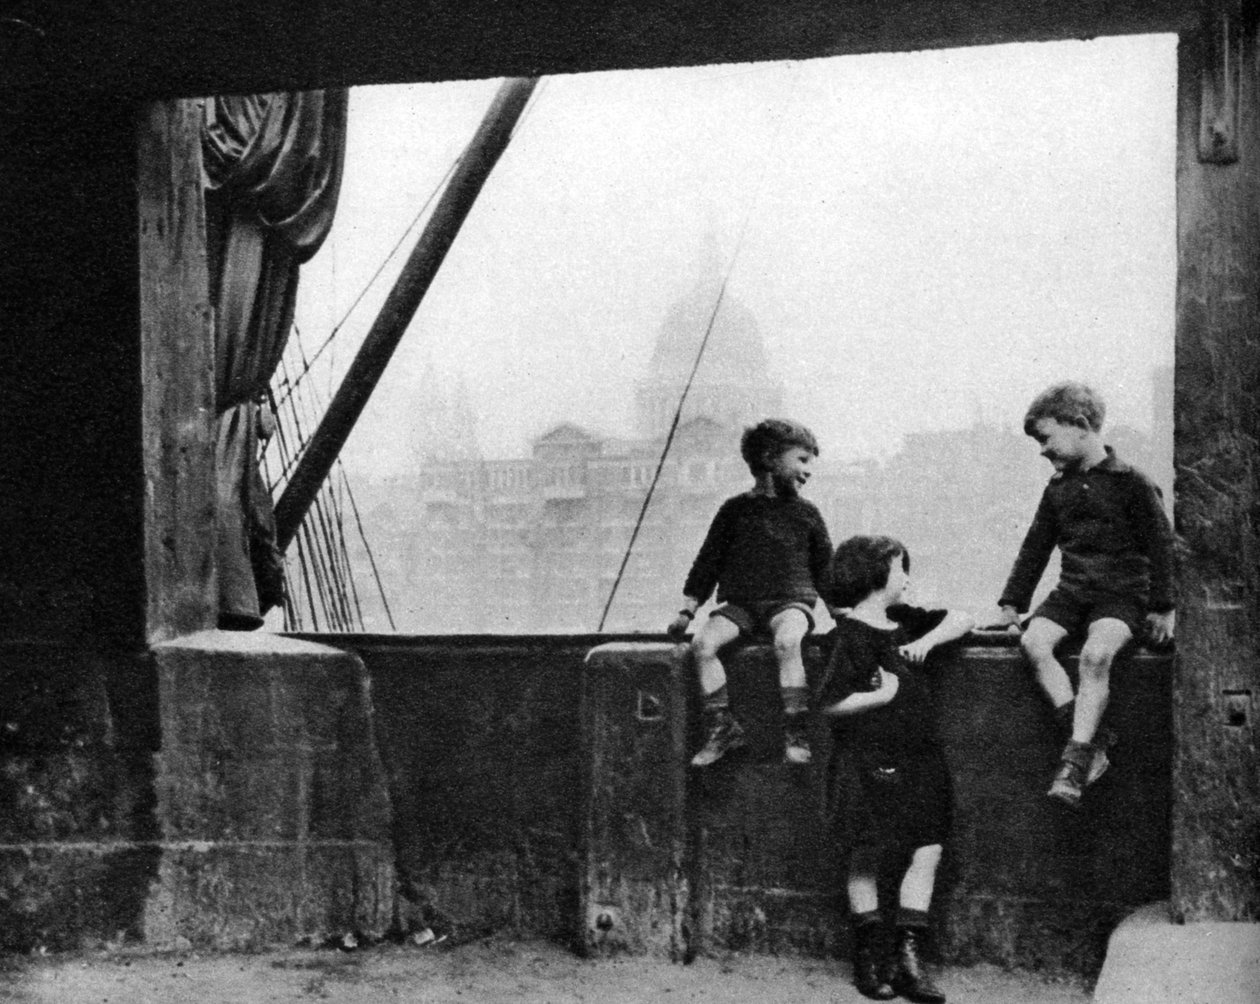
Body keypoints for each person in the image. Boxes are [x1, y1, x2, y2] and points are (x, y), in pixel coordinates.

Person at [992, 381, 1176, 809]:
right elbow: (1035, 547)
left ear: (1079, 426)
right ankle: (1091, 742)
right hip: (1072, 593)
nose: (1042, 450)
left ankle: (1073, 764)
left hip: (1122, 595)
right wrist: (1010, 605)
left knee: (1096, 656)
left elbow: (1161, 546)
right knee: (1034, 644)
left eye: (1046, 438)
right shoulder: (1058, 488)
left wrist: (1163, 607)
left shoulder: (1132, 483)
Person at [819, 535, 973, 1003]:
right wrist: (879, 697)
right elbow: (828, 703)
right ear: (876, 576)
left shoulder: (905, 622)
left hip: (920, 759)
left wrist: (928, 641)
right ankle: (868, 956)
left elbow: (963, 619)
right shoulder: (846, 636)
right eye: (900, 569)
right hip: (866, 761)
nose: (907, 578)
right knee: (866, 853)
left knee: (927, 850)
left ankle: (908, 961)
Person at [666, 418, 833, 767]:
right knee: (703, 645)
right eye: (802, 460)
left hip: (790, 602)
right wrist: (687, 610)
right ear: (771, 458)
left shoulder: (806, 514)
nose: (808, 471)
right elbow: (708, 561)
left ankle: (795, 731)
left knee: (788, 642)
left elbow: (824, 569)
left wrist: (840, 612)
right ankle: (723, 728)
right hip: (741, 603)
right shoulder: (734, 510)